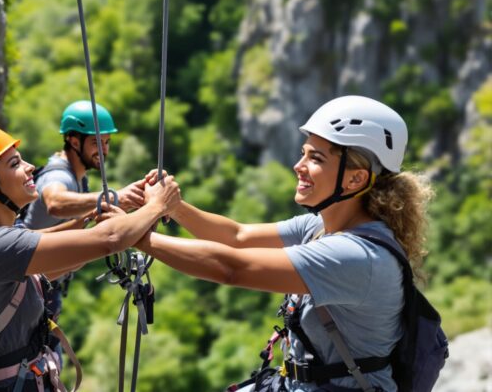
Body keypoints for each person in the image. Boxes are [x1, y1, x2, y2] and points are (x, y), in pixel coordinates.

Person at [135, 96, 433, 391]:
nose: (298, 166)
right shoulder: (320, 227)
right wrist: (170, 206)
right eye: (303, 154)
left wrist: (136, 236)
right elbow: (237, 237)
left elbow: (231, 268)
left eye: (315, 159)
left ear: (355, 179)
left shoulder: (357, 256)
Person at [0, 123, 180, 392]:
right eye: (15, 163)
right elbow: (109, 240)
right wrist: (158, 205)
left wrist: (100, 215)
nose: (31, 167)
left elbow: (60, 259)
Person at [20, 100, 145, 319]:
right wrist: (112, 198)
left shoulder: (78, 177)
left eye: (107, 142)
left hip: (41, 285)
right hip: (31, 288)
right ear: (74, 141)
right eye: (97, 143)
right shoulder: (59, 175)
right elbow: (55, 203)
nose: (104, 150)